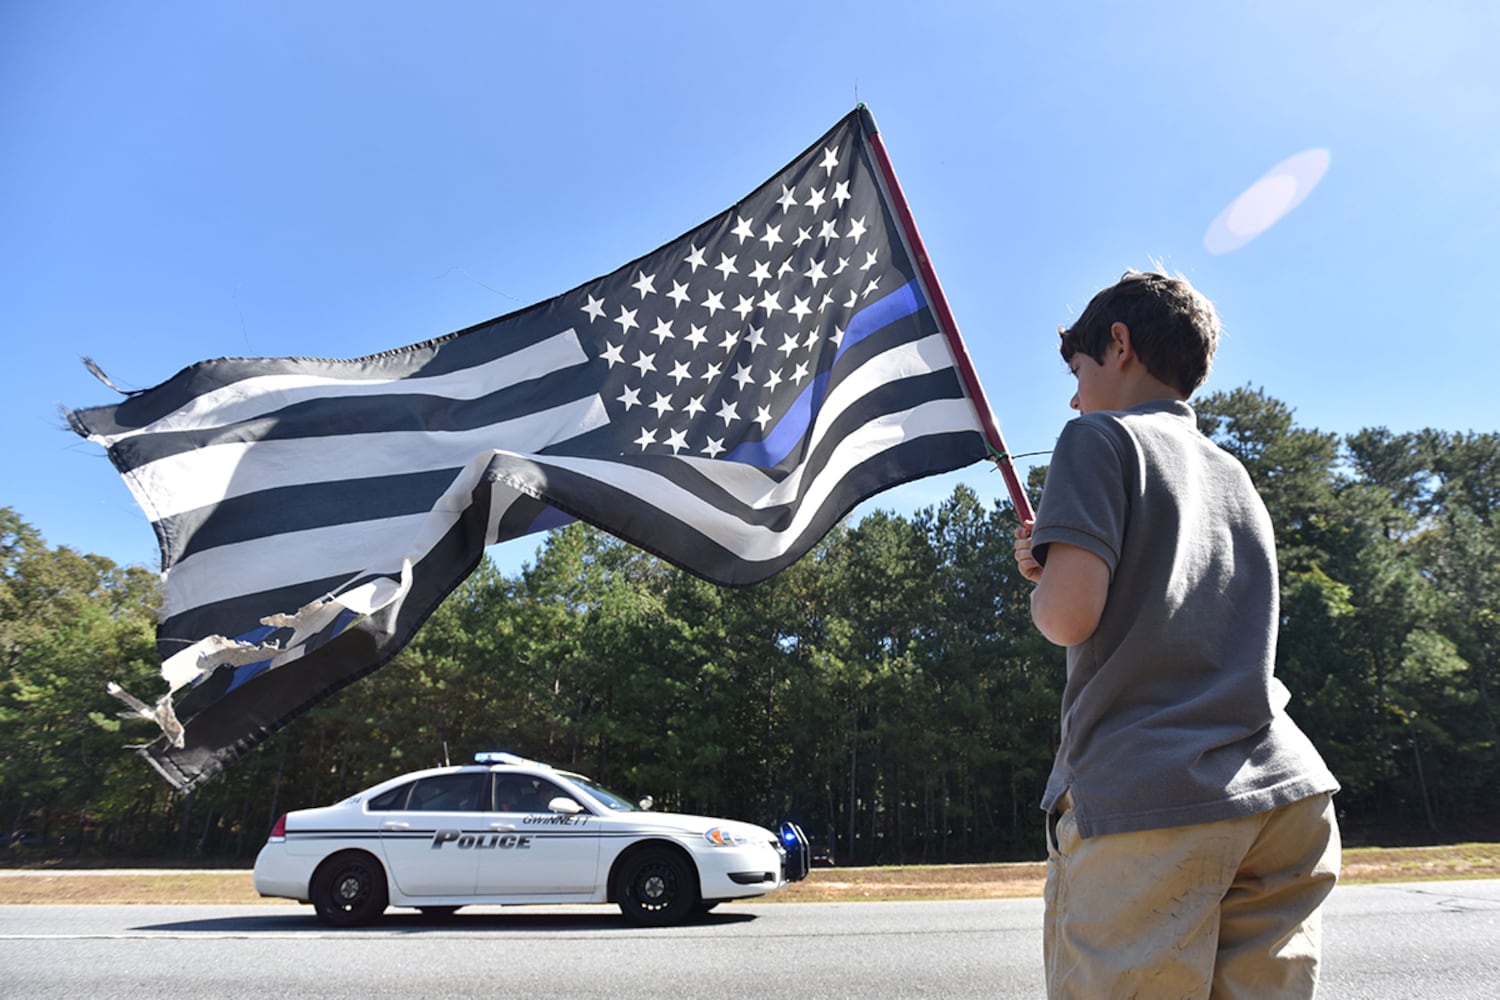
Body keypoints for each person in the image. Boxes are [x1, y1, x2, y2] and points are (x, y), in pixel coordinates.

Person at [1012, 270, 1341, 999]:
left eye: (1078, 369)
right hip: (1285, 794)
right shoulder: (1232, 473)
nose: (1074, 394)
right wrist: (1066, 554)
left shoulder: (1095, 438)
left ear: (1119, 345)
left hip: (1151, 801)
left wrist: (1047, 585)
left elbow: (1069, 617)